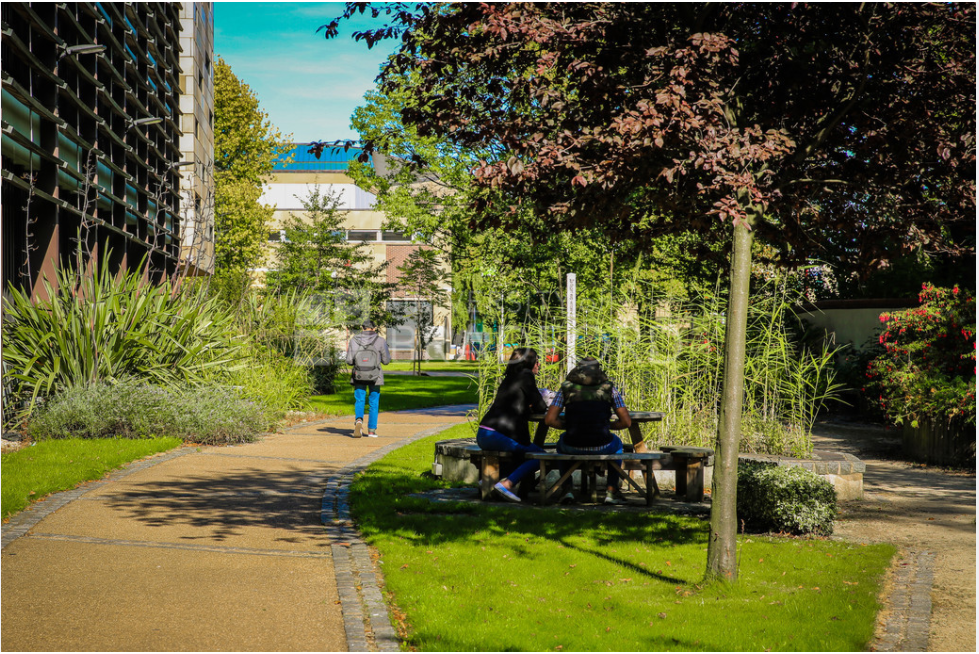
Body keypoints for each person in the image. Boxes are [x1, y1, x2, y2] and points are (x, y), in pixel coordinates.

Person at [545, 357, 632, 505]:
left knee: (561, 443)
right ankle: (612, 491)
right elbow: (626, 422)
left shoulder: (566, 388)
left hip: (572, 445)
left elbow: (549, 420)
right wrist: (606, 425)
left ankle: (567, 489)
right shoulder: (609, 388)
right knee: (617, 443)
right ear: (598, 370)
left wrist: (570, 426)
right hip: (602, 445)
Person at [476, 348, 550, 503]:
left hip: (485, 432)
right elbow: (541, 407)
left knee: (523, 454)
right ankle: (507, 485)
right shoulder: (526, 376)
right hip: (497, 435)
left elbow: (516, 404)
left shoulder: (510, 377)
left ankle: (488, 480)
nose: (539, 364)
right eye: (537, 361)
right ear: (529, 362)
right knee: (541, 456)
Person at [345, 320, 391, 438]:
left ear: (362, 328)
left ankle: (359, 421)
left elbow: (349, 361)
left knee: (360, 399)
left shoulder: (354, 340)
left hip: (359, 375)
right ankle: (371, 430)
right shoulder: (380, 341)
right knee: (374, 402)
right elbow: (386, 361)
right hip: (375, 376)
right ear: (374, 328)